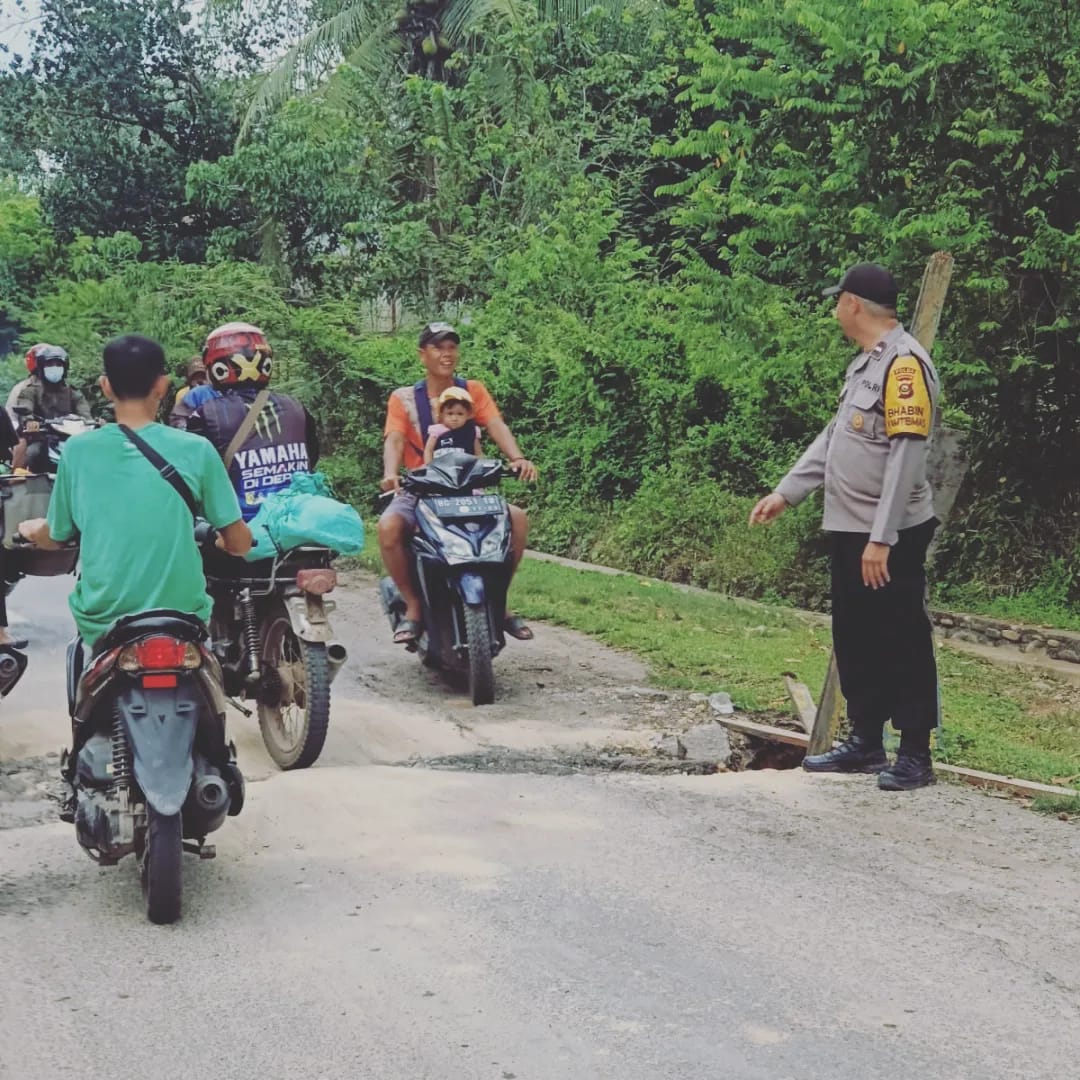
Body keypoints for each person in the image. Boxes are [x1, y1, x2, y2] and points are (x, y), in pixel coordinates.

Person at [749, 263, 940, 792]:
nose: (835, 310)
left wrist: (883, 537)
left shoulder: (904, 367)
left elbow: (906, 456)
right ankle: (866, 742)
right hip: (852, 529)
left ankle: (916, 754)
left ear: (854, 304)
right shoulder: (866, 366)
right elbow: (834, 439)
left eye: (838, 301)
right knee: (857, 636)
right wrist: (786, 492)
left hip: (889, 534)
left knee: (901, 637)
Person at [19, 334, 252, 651]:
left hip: (105, 618)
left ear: (105, 386)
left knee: (84, 673)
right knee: (209, 681)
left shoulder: (78, 450)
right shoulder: (197, 450)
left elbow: (56, 535)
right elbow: (239, 544)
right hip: (184, 615)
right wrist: (219, 538)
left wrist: (33, 530)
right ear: (163, 385)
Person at [379, 321, 538, 646]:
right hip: (421, 490)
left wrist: (518, 458)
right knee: (388, 528)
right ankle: (412, 605)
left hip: (468, 489)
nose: (446, 354)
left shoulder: (473, 391)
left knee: (517, 519)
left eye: (451, 347)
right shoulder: (404, 399)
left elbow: (495, 424)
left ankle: (501, 601)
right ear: (422, 354)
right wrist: (391, 472)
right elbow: (394, 439)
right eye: (438, 347)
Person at [187, 322, 319, 522]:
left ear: (216, 367)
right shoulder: (296, 407)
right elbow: (312, 456)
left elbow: (194, 476)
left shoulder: (206, 414)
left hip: (241, 529)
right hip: (300, 521)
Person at [12, 344, 93, 423]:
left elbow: (85, 413)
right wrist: (29, 420)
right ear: (41, 369)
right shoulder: (30, 391)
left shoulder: (73, 392)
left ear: (64, 369)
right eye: (49, 364)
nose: (54, 368)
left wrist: (90, 422)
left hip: (70, 434)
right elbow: (26, 406)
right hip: (39, 434)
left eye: (59, 365)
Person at [423, 386, 482, 463]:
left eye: (460, 414)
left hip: (465, 472)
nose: (454, 418)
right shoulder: (437, 430)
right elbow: (428, 450)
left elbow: (478, 453)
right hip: (441, 471)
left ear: (468, 415)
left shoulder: (471, 431)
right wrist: (429, 469)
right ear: (441, 414)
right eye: (450, 413)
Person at [167, 356, 209, 430]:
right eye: (195, 377)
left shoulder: (214, 392)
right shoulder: (182, 394)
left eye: (202, 376)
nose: (199, 380)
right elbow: (178, 418)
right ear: (189, 379)